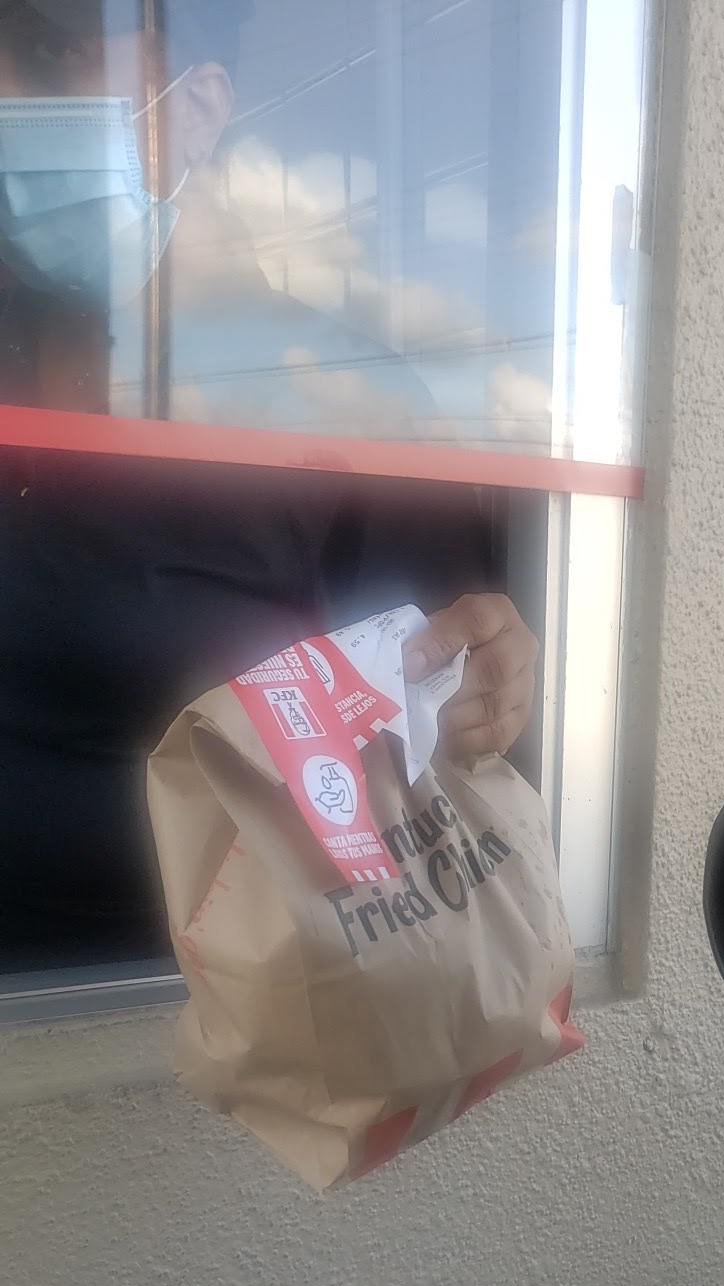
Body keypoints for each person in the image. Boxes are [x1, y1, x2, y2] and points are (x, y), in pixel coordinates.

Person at [0, 0, 539, 971]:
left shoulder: (339, 401)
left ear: (196, 109)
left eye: (46, 52)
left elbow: (445, 706)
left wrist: (481, 693)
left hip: (188, 1017)